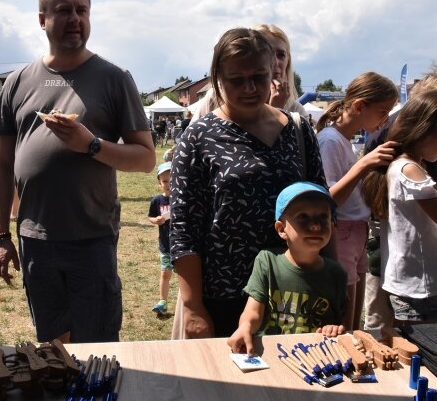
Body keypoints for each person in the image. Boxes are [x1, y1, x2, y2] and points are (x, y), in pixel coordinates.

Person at [0, 0, 155, 343]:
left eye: (82, 10)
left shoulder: (113, 78)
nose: (75, 19)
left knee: (97, 346)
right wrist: (0, 235)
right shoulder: (17, 82)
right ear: (42, 19)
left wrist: (91, 145)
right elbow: (0, 164)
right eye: (63, 10)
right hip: (34, 237)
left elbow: (145, 158)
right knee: (52, 345)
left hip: (90, 237)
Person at [169, 27, 327, 340]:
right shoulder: (198, 137)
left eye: (259, 76)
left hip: (293, 294)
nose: (250, 87)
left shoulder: (297, 130)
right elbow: (185, 231)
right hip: (225, 297)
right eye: (236, 79)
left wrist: (329, 281)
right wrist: (193, 306)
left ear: (274, 73)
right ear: (217, 78)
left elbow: (322, 208)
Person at [362, 67, 437, 332]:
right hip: (417, 286)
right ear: (427, 130)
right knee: (420, 355)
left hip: (418, 283)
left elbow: (433, 217)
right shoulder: (409, 169)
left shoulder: (408, 166)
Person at [314, 72, 399, 330]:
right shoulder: (330, 141)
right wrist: (363, 164)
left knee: (354, 321)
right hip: (343, 234)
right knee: (343, 321)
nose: (385, 119)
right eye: (383, 111)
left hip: (356, 232)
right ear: (360, 106)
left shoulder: (344, 140)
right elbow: (326, 199)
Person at [228, 182, 347, 354]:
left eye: (323, 217)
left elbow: (341, 324)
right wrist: (245, 327)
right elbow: (253, 312)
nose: (315, 225)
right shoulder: (267, 262)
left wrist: (334, 329)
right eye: (303, 217)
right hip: (271, 354)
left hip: (317, 358)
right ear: (281, 229)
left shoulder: (337, 274)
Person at [189, 24, 308, 123]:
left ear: (288, 60)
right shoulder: (215, 98)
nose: (275, 62)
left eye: (281, 55)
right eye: (269, 53)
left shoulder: (297, 113)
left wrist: (276, 112)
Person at [148, 162, 172, 317]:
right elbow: (150, 216)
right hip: (165, 245)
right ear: (159, 183)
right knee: (165, 274)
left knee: (186, 276)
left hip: (181, 246)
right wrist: (155, 220)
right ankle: (162, 302)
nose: (168, 184)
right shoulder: (157, 201)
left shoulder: (181, 199)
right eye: (164, 181)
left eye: (172, 180)